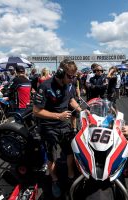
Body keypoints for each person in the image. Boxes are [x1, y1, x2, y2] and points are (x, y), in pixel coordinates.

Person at [33, 59, 82, 198]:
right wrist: (58, 116)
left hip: (64, 125)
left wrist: (83, 111)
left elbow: (71, 100)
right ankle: (54, 180)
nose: (72, 79)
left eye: (74, 77)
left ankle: (71, 175)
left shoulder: (70, 85)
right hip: (49, 127)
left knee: (69, 151)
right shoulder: (45, 86)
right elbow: (36, 111)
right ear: (60, 73)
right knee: (51, 156)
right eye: (70, 76)